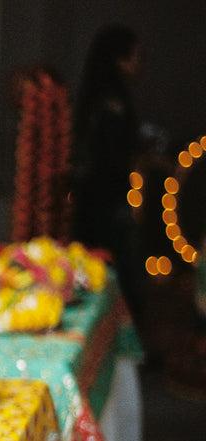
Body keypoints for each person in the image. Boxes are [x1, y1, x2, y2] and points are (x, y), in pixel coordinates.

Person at [71, 23, 146, 322]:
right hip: (108, 207)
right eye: (136, 57)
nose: (140, 65)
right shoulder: (113, 103)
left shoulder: (95, 97)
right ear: (119, 59)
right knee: (120, 284)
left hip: (90, 205)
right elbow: (113, 160)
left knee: (98, 281)